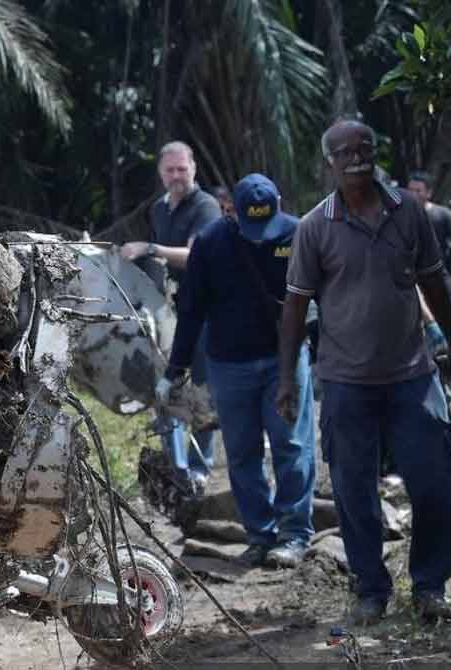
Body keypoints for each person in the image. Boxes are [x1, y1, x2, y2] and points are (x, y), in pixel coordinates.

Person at [278, 119, 451, 624]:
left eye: (365, 148)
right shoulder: (314, 227)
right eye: (345, 151)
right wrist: (286, 378)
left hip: (412, 377)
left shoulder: (409, 213)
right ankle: (371, 590)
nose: (357, 157)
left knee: (435, 481)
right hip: (346, 383)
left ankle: (429, 587)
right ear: (328, 162)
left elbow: (434, 284)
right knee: (355, 493)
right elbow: (294, 307)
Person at [157, 174, 315, 568]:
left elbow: (322, 300)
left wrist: (326, 354)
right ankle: (260, 534)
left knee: (291, 447)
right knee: (242, 453)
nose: (262, 237)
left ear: (280, 203)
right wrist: (175, 369)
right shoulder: (211, 243)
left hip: (286, 361)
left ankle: (294, 535)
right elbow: (190, 310)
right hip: (229, 366)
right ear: (231, 210)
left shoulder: (298, 235)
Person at [121, 141, 222, 488]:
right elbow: (158, 265)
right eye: (170, 170)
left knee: (203, 389)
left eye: (182, 169)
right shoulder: (159, 210)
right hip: (168, 311)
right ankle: (176, 469)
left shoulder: (207, 206)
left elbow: (196, 255)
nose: (177, 176)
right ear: (161, 173)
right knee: (166, 385)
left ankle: (201, 469)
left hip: (206, 311)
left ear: (194, 168)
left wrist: (150, 248)